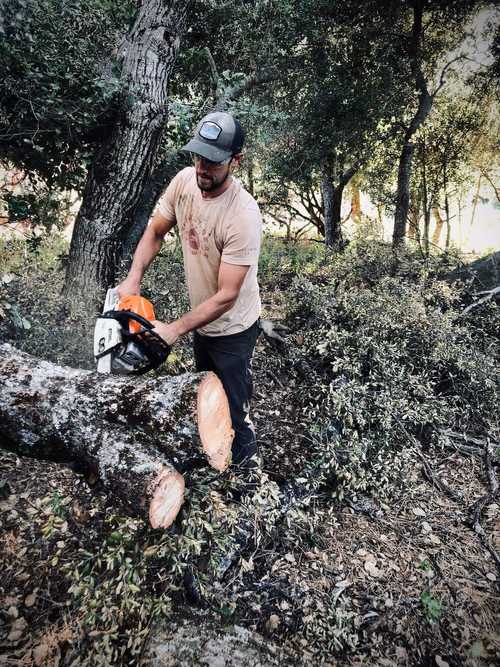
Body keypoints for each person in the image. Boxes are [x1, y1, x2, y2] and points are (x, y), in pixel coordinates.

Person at [117, 111, 262, 468]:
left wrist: (174, 329)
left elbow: (227, 296)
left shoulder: (242, 215)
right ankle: (214, 459)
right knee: (208, 396)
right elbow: (155, 231)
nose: (202, 168)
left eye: (213, 162)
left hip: (234, 329)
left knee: (235, 408)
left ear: (235, 161)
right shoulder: (183, 182)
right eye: (199, 157)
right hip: (203, 322)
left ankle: (249, 478)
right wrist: (133, 277)